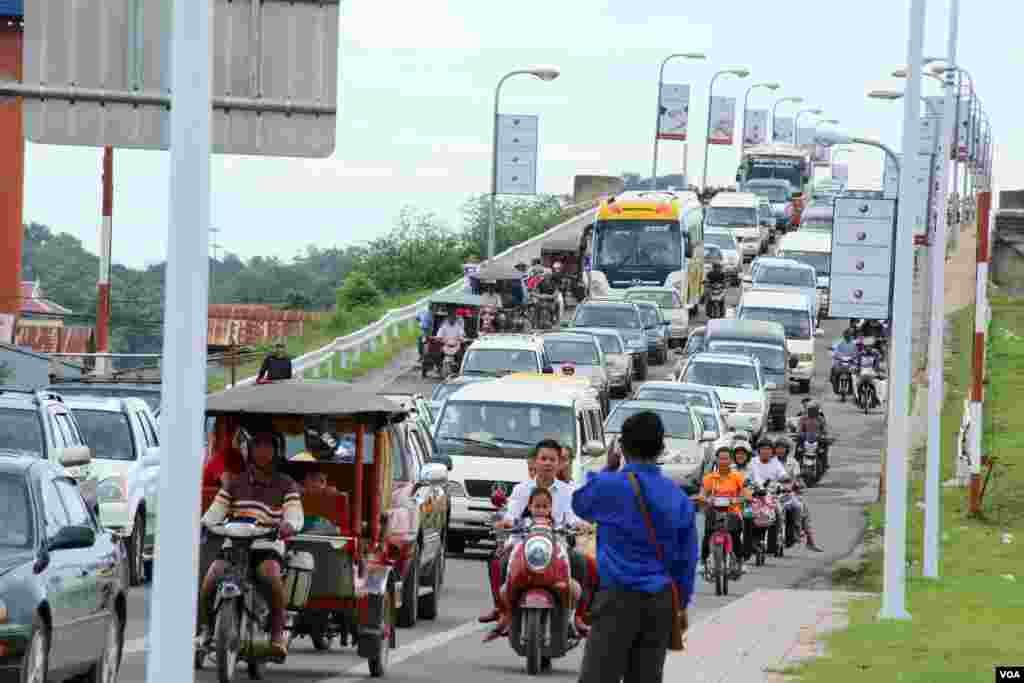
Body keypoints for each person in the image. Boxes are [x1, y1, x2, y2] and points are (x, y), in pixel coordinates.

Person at [573, 412, 699, 683]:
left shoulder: (609, 485)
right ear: (661, 448)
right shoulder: (678, 497)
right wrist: (681, 604)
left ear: (621, 447)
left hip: (617, 597)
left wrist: (608, 468)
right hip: (660, 601)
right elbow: (687, 561)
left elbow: (580, 505)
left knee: (598, 677)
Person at [198, 429, 303, 657]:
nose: (262, 452)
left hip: (268, 544)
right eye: (258, 447)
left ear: (276, 452)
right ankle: (205, 631)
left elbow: (294, 513)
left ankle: (277, 635)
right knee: (210, 580)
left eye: (268, 447)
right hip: (234, 544)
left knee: (271, 576)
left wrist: (289, 524)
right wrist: (204, 523)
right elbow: (215, 512)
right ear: (250, 451)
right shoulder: (235, 483)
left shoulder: (286, 484)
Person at [480, 440, 592, 640]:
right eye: (543, 458)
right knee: (500, 561)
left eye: (553, 459)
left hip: (557, 545)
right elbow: (511, 514)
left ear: (560, 464)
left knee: (581, 563)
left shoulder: (567, 491)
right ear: (535, 462)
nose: (548, 463)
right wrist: (505, 522)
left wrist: (579, 524)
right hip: (522, 544)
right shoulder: (522, 489)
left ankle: (577, 617)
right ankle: (505, 612)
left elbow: (572, 516)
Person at [699, 447, 748, 576]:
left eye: (726, 458)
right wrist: (705, 499)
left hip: (732, 512)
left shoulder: (737, 477)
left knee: (736, 535)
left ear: (731, 460)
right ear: (716, 459)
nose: (723, 461)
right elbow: (702, 494)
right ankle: (703, 562)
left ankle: (740, 561)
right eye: (721, 458)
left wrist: (738, 499)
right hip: (713, 511)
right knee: (708, 533)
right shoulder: (709, 478)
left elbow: (745, 494)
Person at [202, 415, 246, 488]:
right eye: (228, 430)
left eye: (231, 429)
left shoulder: (237, 456)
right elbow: (228, 484)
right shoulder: (219, 458)